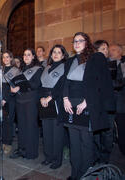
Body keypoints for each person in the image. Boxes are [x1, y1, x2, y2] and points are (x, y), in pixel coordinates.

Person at [63, 32, 114, 180]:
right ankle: (75, 174)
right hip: (70, 104)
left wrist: (87, 101)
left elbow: (100, 82)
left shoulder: (95, 58)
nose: (77, 43)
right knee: (74, 142)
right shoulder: (70, 61)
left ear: (87, 42)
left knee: (86, 142)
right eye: (74, 41)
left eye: (80, 40)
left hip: (87, 104)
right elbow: (66, 82)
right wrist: (65, 98)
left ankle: (85, 175)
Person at [10, 48, 42, 159]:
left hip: (31, 101)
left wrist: (21, 86)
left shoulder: (38, 69)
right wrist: (13, 89)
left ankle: (31, 152)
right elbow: (17, 84)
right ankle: (21, 149)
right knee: (22, 126)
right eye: (24, 55)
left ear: (33, 56)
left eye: (29, 55)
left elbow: (36, 84)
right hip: (20, 101)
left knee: (31, 127)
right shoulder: (21, 70)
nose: (26, 57)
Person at [39, 44, 68, 169]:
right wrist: (41, 98)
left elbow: (61, 86)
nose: (55, 54)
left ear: (63, 55)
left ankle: (57, 159)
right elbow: (41, 85)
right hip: (44, 102)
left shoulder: (65, 67)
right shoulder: (46, 68)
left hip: (56, 102)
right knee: (47, 131)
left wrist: (49, 98)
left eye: (58, 52)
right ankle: (48, 156)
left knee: (57, 133)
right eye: (54, 52)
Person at [0, 50, 20, 154]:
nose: (5, 59)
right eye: (3, 57)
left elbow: (14, 87)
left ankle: (8, 144)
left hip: (10, 99)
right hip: (0, 97)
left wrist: (5, 99)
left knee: (9, 122)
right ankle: (1, 142)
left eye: (7, 57)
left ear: (11, 58)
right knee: (1, 122)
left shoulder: (16, 70)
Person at [93, 40, 115, 164]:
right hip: (96, 104)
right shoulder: (92, 65)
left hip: (108, 104)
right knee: (96, 133)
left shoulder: (112, 64)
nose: (106, 51)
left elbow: (118, 82)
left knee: (107, 133)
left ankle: (105, 160)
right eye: (102, 49)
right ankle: (96, 158)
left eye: (107, 49)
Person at [108, 44, 125, 155]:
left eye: (113, 50)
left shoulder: (123, 65)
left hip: (121, 102)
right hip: (109, 102)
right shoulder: (107, 64)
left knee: (122, 126)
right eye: (109, 50)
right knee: (108, 128)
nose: (110, 52)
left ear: (120, 51)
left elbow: (120, 83)